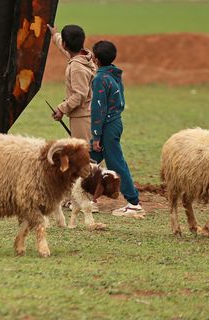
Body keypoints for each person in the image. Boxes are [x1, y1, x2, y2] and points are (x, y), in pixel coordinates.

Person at [89, 40, 143, 217]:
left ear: (95, 59)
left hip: (107, 127)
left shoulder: (99, 79)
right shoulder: (114, 74)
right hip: (115, 122)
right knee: (90, 160)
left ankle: (134, 202)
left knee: (116, 164)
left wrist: (96, 135)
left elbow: (98, 109)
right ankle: (86, 198)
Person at [47, 24, 96, 144]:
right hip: (89, 113)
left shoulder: (77, 67)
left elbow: (80, 95)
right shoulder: (84, 56)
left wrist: (61, 108)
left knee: (84, 156)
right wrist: (55, 35)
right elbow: (64, 48)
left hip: (82, 118)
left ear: (65, 44)